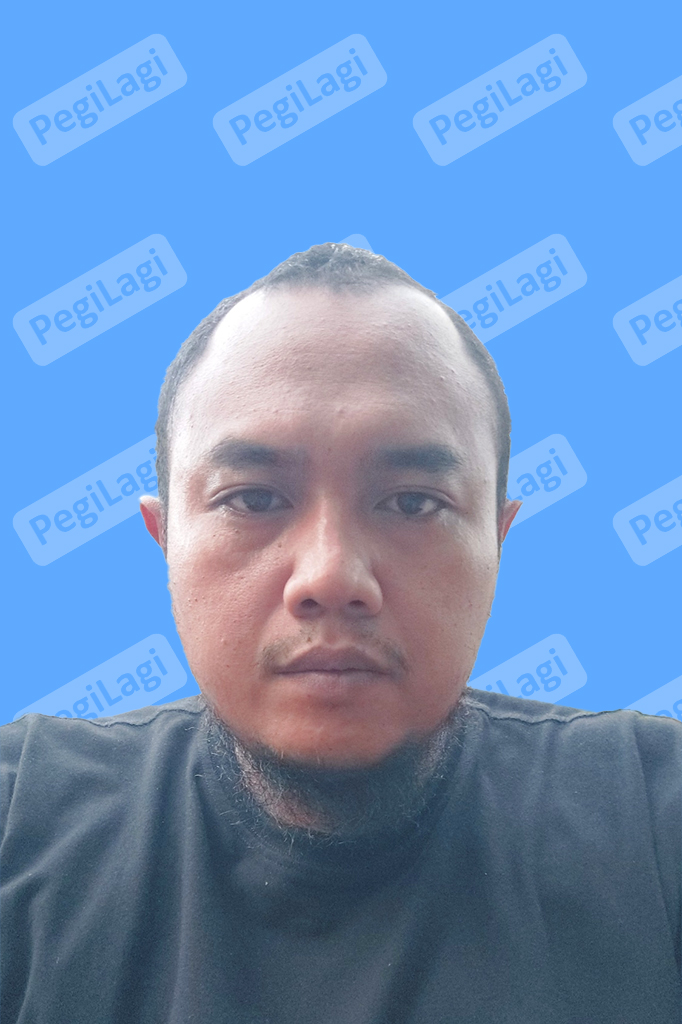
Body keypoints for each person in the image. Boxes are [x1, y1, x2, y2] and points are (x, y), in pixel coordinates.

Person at [1, 244, 679, 1024]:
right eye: (253, 499)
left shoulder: (654, 823)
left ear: (497, 540)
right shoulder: (23, 824)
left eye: (413, 503)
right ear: (165, 539)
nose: (329, 576)